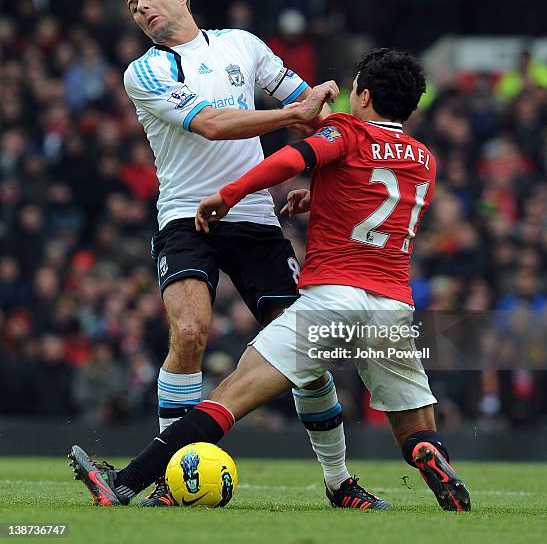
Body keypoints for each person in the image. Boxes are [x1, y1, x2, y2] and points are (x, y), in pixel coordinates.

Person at [70, 49, 471, 511]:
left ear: (362, 94)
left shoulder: (346, 131)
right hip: (392, 309)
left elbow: (289, 159)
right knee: (414, 423)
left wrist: (230, 192)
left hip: (331, 301)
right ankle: (429, 454)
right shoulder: (424, 160)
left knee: (224, 400)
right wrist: (321, 198)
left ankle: (121, 482)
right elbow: (375, 202)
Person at [117, 0, 360, 507]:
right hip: (185, 216)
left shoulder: (242, 47)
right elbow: (211, 124)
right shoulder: (145, 72)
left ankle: (339, 482)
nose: (142, 9)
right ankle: (168, 479)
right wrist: (292, 114)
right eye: (134, 6)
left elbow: (318, 118)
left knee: (304, 352)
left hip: (253, 215)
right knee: (189, 332)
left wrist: (321, 178)